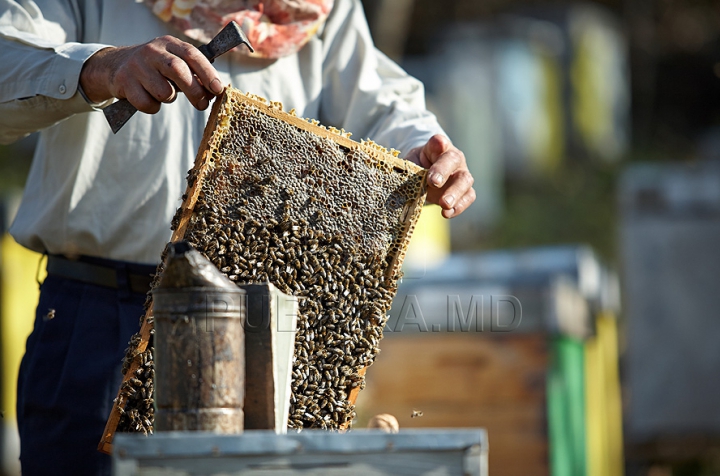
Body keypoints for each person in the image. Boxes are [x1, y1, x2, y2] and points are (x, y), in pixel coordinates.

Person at [0, 0, 476, 474]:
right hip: (101, 317)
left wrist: (423, 148)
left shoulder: (326, 7)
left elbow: (380, 100)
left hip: (267, 324)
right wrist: (100, 67)